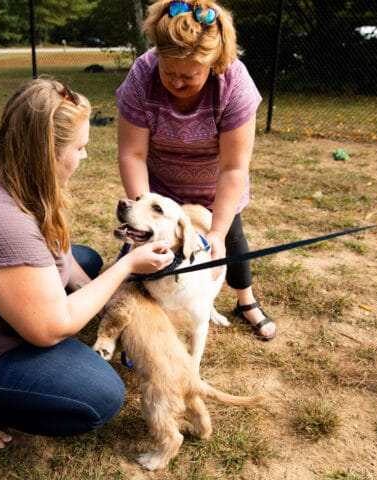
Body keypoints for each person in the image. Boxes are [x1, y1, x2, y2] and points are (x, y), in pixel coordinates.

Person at [0, 78, 175, 455]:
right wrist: (125, 268)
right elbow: (50, 328)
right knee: (100, 397)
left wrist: (93, 282)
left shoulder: (10, 172)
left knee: (87, 263)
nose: (86, 156)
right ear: (46, 151)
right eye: (80, 147)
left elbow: (58, 250)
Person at [116, 0, 276, 340]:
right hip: (161, 190)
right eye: (168, 72)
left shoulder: (234, 84)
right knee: (140, 261)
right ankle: (146, 315)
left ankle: (245, 301)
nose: (176, 82)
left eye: (188, 75)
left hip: (214, 188)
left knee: (232, 242)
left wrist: (216, 232)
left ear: (213, 64)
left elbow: (234, 168)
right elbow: (132, 153)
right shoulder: (141, 76)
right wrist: (146, 214)